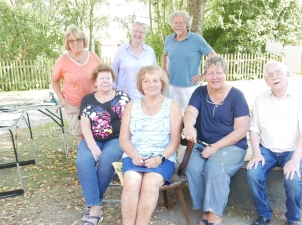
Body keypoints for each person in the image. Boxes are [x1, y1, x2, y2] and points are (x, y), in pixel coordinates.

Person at [246, 60, 302, 225]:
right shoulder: (260, 99)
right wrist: (256, 152)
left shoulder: (301, 97)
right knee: (253, 174)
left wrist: (295, 159)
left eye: (278, 72)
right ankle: (264, 214)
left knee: (293, 180)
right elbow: (254, 129)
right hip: (267, 150)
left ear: (287, 75)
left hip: (292, 150)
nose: (275, 77)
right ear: (266, 81)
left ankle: (293, 219)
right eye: (270, 74)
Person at [183, 55, 249, 225]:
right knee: (192, 168)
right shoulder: (200, 92)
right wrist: (189, 126)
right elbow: (190, 112)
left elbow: (241, 130)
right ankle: (208, 208)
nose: (214, 77)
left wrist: (216, 146)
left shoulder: (236, 96)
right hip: (203, 144)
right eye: (210, 73)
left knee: (215, 167)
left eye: (218, 72)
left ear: (225, 73)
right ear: (205, 75)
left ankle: (215, 216)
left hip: (232, 145)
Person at [119, 65, 182, 225]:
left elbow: (175, 141)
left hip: (162, 157)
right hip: (134, 156)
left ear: (162, 83)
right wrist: (133, 154)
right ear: (141, 85)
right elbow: (124, 138)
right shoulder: (132, 105)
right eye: (146, 81)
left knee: (150, 183)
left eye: (155, 80)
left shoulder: (172, 106)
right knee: (132, 183)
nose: (151, 84)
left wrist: (159, 158)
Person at [76, 64, 131, 225]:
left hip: (117, 138)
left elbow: (130, 119)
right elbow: (85, 125)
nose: (106, 81)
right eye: (102, 78)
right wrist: (92, 146)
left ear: (113, 80)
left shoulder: (123, 96)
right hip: (93, 138)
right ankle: (95, 205)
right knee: (83, 161)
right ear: (95, 82)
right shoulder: (87, 99)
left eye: (108, 78)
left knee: (107, 160)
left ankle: (94, 207)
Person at [52, 25, 101, 145]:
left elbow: (102, 76)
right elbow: (54, 81)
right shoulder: (62, 60)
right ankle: (83, 163)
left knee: (97, 134)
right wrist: (62, 99)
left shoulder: (93, 57)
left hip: (94, 103)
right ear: (67, 43)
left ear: (84, 40)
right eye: (71, 41)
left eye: (78, 39)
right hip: (74, 104)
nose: (75, 43)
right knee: (81, 136)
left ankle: (97, 160)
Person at [162, 10, 216, 113]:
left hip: (191, 87)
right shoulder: (169, 39)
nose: (177, 25)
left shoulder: (197, 39)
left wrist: (204, 75)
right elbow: (164, 54)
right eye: (175, 23)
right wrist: (164, 69)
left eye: (180, 22)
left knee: (192, 116)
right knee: (175, 116)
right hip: (172, 85)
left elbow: (213, 56)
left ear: (186, 24)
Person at [112, 21, 157, 100]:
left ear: (145, 35)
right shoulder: (121, 50)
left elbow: (155, 73)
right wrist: (113, 92)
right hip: (124, 97)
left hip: (146, 97)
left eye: (141, 32)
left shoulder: (150, 51)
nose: (138, 34)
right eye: (135, 31)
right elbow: (114, 73)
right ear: (131, 32)